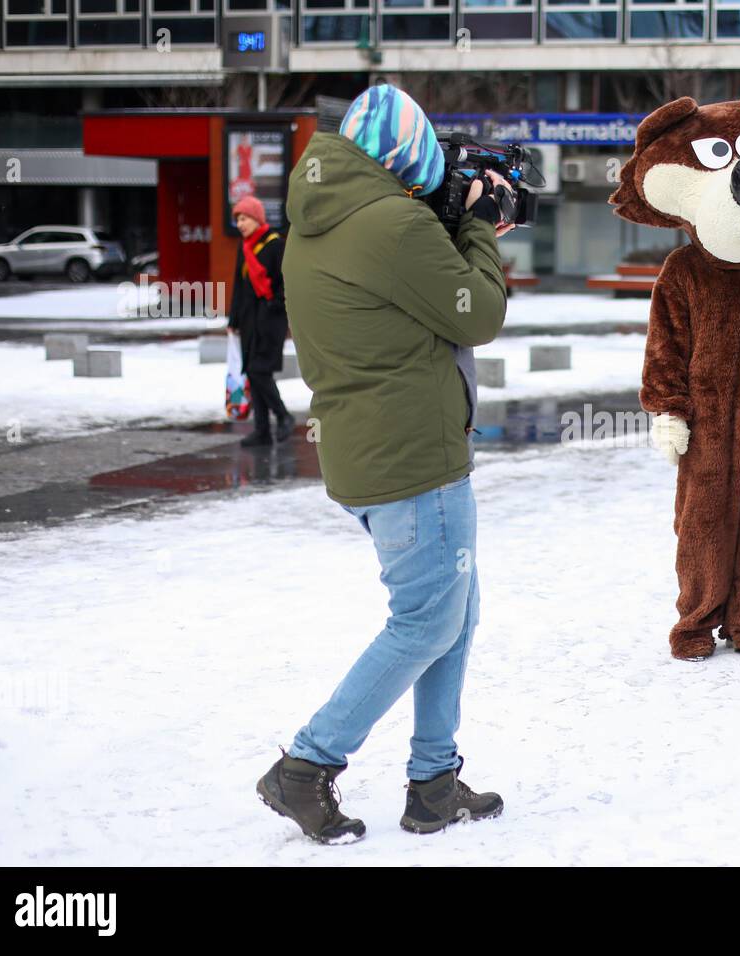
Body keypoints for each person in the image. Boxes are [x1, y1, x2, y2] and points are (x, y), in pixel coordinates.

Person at [255, 84, 515, 843]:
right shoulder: (393, 222)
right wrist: (477, 223)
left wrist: (448, 221)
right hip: (413, 458)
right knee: (426, 621)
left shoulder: (321, 214)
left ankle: (433, 783)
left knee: (452, 617)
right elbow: (480, 311)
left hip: (371, 449)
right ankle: (306, 765)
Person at [228, 195, 295, 447]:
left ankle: (283, 415)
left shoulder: (275, 245)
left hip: (270, 319)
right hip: (248, 320)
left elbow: (285, 283)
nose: (241, 224)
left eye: (244, 218)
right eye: (238, 220)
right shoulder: (243, 247)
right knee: (252, 371)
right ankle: (262, 430)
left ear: (257, 218)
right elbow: (239, 285)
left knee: (259, 371)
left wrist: (272, 306)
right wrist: (233, 319)